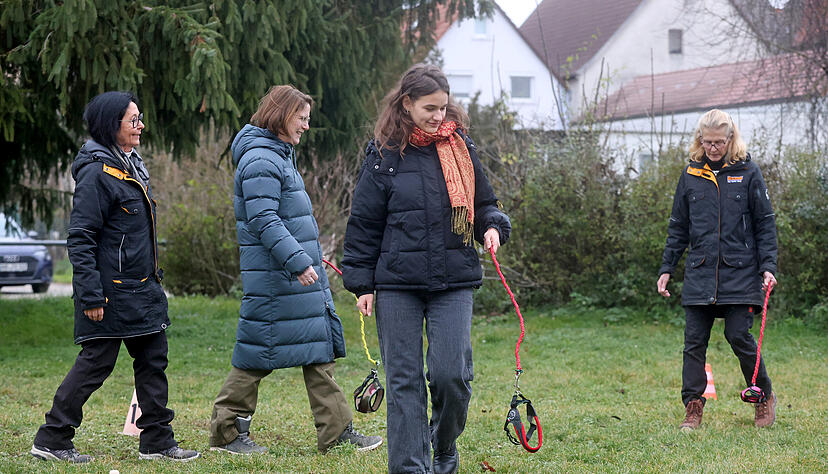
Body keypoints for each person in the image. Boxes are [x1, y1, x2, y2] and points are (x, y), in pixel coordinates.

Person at [342, 64, 511, 474]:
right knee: (405, 383)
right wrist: (362, 282)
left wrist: (491, 226)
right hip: (397, 284)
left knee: (452, 376)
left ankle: (444, 445)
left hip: (454, 280)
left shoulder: (462, 149)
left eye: (444, 107)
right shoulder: (383, 155)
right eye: (430, 108)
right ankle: (409, 468)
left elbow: (486, 203)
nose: (439, 116)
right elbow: (364, 223)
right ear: (406, 104)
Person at [208, 85, 382, 455]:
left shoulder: (279, 156)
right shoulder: (261, 160)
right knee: (257, 355)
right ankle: (227, 434)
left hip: (293, 278)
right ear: (281, 115)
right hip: (276, 280)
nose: (305, 125)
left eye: (307, 119)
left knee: (318, 351)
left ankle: (336, 434)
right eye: (301, 118)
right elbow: (263, 219)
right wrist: (298, 260)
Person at [31, 91, 200, 463]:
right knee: (96, 363)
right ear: (113, 125)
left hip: (143, 290)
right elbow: (81, 237)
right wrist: (90, 296)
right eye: (133, 120)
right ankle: (53, 438)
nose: (141, 126)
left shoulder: (132, 165)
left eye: (140, 118)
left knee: (154, 358)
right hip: (109, 294)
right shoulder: (96, 171)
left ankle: (157, 440)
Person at [657, 109, 778, 431]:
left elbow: (765, 224)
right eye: (707, 142)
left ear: (730, 139)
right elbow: (678, 226)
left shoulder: (748, 172)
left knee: (738, 335)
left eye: (719, 142)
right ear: (700, 140)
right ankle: (693, 407)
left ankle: (763, 396)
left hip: (741, 271)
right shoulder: (691, 175)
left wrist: (768, 266)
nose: (713, 148)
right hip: (700, 272)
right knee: (694, 342)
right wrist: (667, 267)